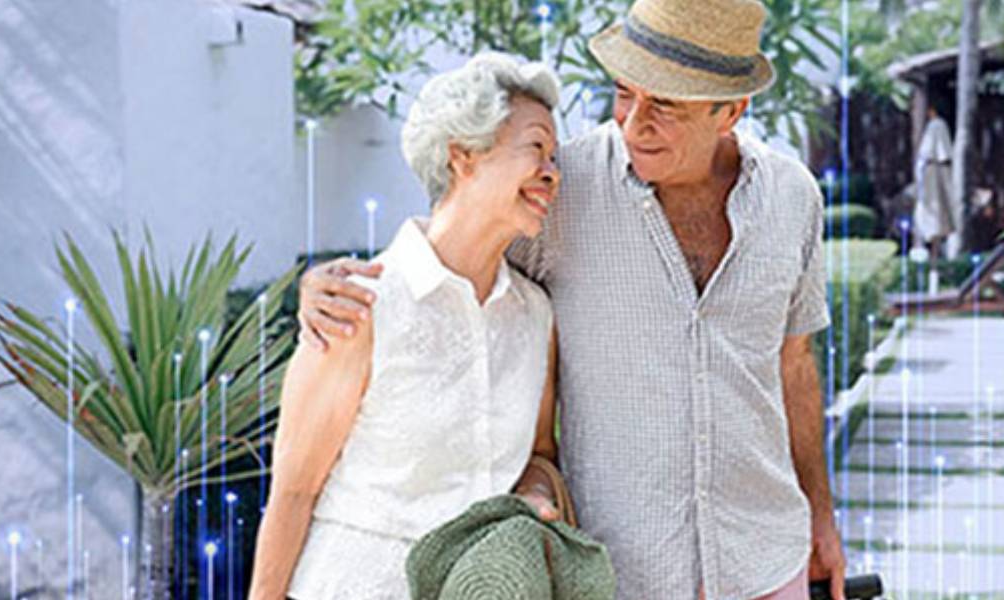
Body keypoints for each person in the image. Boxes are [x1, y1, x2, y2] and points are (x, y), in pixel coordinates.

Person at [296, 0, 847, 598]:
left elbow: (794, 365)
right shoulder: (563, 188)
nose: (635, 123)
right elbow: (449, 263)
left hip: (767, 559)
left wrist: (821, 516)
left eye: (665, 104)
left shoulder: (794, 198)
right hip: (617, 573)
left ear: (731, 110)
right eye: (624, 93)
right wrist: (335, 285)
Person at [248, 53, 563, 599]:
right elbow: (294, 491)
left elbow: (539, 453)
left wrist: (535, 497)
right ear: (463, 155)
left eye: (555, 157)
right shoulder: (359, 305)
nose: (552, 172)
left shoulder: (535, 314)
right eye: (536, 148)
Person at [914, 105, 962, 288]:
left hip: (932, 175)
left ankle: (936, 272)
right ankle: (933, 273)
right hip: (928, 176)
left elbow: (943, 154)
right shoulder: (933, 128)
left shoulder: (937, 125)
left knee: (937, 221)